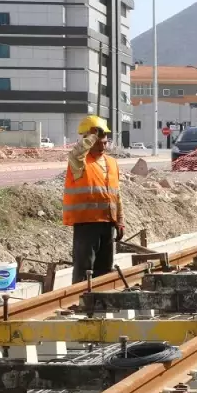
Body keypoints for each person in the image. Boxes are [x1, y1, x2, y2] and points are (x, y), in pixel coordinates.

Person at [64, 115, 124, 284]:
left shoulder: (112, 163)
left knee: (105, 268)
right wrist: (92, 136)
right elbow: (75, 154)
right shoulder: (79, 163)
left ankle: (101, 301)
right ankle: (80, 298)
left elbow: (116, 194)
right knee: (84, 267)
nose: (102, 146)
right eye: (98, 142)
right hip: (86, 222)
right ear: (88, 141)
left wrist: (120, 220)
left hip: (107, 221)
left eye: (105, 142)